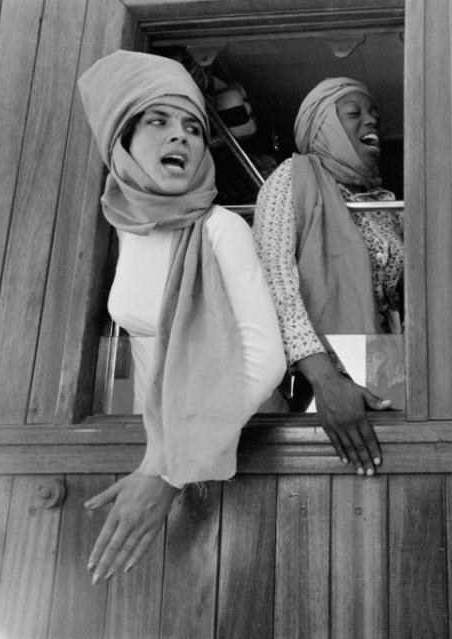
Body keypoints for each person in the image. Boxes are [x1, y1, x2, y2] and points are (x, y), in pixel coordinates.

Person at [76, 50, 286, 583]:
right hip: (171, 450)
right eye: (159, 121)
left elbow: (264, 364)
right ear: (122, 138)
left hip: (248, 446)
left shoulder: (219, 229)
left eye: (193, 127)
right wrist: (156, 458)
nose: (182, 137)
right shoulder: (123, 224)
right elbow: (154, 361)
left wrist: (167, 473)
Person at [253, 77, 401, 476]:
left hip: (378, 386)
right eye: (354, 113)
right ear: (322, 128)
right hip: (311, 394)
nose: (371, 121)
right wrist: (326, 380)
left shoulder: (385, 203)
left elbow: (402, 299)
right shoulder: (292, 176)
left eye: (375, 116)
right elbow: (274, 280)